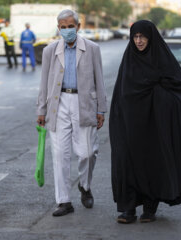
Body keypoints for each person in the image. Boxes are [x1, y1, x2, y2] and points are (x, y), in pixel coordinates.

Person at [109, 20, 181, 224]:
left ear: (151, 37)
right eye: (135, 37)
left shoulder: (163, 61)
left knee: (151, 163)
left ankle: (149, 208)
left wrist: (157, 95)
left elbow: (179, 85)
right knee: (126, 162)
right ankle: (127, 209)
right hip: (129, 125)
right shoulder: (129, 62)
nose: (139, 41)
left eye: (142, 37)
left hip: (154, 127)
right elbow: (120, 95)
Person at [36, 9, 107, 217]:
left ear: (78, 26)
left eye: (71, 26)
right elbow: (44, 83)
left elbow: (100, 80)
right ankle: (64, 201)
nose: (67, 30)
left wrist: (101, 108)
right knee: (60, 154)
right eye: (63, 27)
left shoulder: (92, 48)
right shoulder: (50, 51)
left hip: (84, 103)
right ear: (58, 28)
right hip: (58, 104)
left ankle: (85, 186)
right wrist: (41, 109)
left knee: (87, 152)